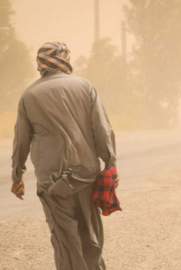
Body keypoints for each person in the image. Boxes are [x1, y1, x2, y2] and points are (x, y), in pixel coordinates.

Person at [10, 42, 118, 270]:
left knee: (65, 242)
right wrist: (110, 163)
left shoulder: (29, 96)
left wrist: (17, 176)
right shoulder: (85, 87)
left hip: (52, 183)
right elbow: (102, 129)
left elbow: (21, 140)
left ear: (40, 65)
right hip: (86, 176)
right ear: (65, 59)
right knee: (91, 237)